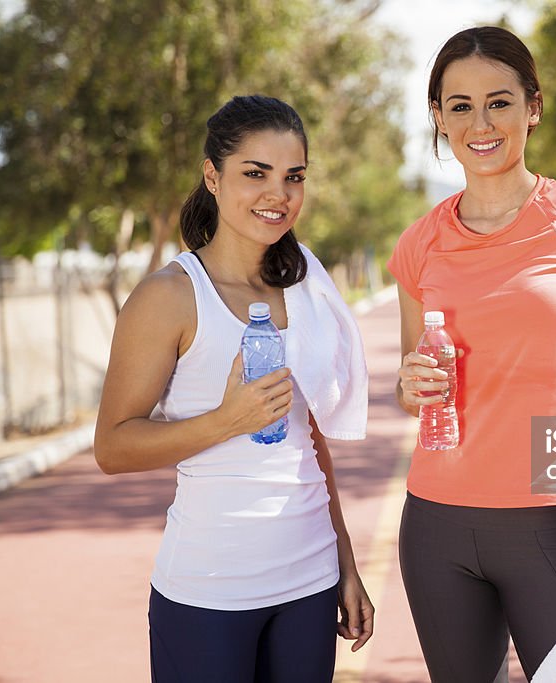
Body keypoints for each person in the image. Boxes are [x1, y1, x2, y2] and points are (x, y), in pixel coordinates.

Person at [388, 27, 556, 682]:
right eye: (460, 105)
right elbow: (408, 384)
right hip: (436, 527)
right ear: (440, 118)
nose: (481, 122)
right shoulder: (418, 245)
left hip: (549, 522)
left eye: (499, 102)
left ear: (533, 107)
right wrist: (410, 383)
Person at [94, 95, 373, 683]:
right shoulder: (168, 296)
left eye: (293, 177)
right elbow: (113, 448)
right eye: (256, 173)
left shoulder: (302, 286)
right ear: (212, 176)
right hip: (208, 589)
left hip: (310, 580)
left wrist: (345, 560)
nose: (279, 194)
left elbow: (309, 438)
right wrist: (226, 421)